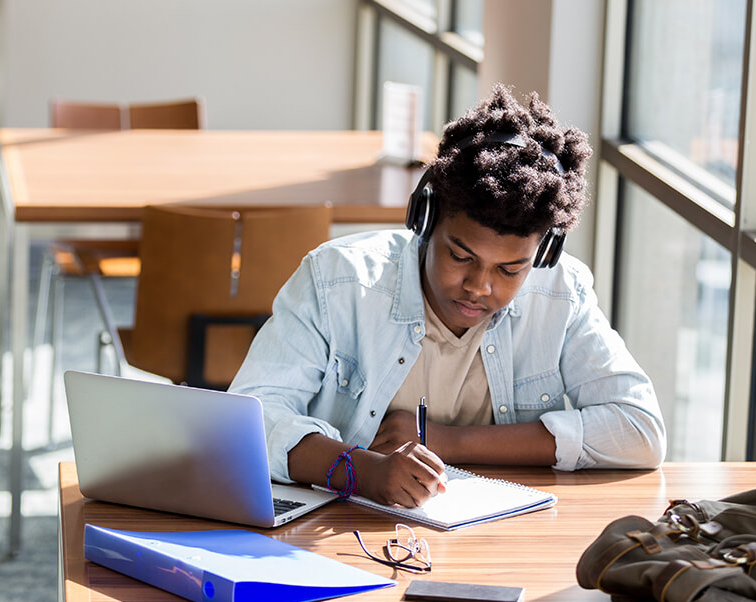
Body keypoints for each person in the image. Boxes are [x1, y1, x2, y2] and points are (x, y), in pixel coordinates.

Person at [229, 85, 665, 508]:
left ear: (543, 253)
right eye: (460, 255)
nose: (479, 286)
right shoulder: (336, 279)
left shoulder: (560, 294)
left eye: (510, 269)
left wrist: (449, 441)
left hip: (494, 537)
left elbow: (639, 430)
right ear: (425, 219)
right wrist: (363, 472)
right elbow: (250, 421)